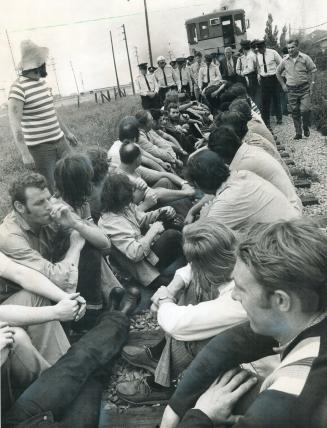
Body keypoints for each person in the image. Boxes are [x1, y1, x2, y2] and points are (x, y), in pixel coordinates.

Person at [161, 218, 327, 428]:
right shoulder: (309, 316)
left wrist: (200, 416)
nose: (234, 296)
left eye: (241, 288)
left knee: (225, 387)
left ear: (281, 301)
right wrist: (175, 407)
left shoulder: (282, 402)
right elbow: (233, 342)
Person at [116, 219, 246, 405]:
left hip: (250, 370)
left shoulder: (238, 296)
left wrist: (163, 299)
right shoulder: (237, 257)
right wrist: (171, 289)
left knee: (188, 336)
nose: (192, 266)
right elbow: (190, 269)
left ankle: (161, 386)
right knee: (191, 288)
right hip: (247, 339)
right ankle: (160, 355)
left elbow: (178, 324)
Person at [2, 304, 134, 428]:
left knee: (76, 364)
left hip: (14, 420)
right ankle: (115, 319)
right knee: (90, 379)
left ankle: (115, 319)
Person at [8, 40, 77, 192]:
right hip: (41, 149)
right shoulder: (18, 88)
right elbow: (15, 124)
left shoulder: (42, 84)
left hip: (61, 141)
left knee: (74, 175)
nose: (45, 63)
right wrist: (25, 154)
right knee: (51, 188)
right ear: (38, 63)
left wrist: (67, 133)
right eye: (42, 60)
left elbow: (52, 112)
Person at [98, 174, 185, 291]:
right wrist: (153, 230)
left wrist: (160, 212)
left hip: (147, 253)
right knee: (172, 236)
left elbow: (141, 219)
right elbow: (135, 253)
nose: (130, 203)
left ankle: (186, 257)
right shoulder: (110, 223)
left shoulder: (121, 207)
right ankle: (189, 259)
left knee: (174, 220)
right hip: (139, 267)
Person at [185, 150, 300, 230]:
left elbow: (201, 241)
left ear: (198, 183)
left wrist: (204, 218)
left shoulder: (227, 201)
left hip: (289, 251)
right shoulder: (242, 175)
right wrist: (193, 211)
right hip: (295, 231)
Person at [208, 126, 302, 213]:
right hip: (288, 204)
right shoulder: (247, 150)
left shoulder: (243, 165)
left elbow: (225, 196)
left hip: (288, 216)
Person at [116, 142, 195, 214]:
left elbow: (164, 174)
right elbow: (155, 194)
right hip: (138, 212)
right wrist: (186, 193)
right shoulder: (123, 178)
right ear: (137, 159)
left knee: (165, 181)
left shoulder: (132, 168)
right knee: (178, 202)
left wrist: (184, 183)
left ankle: (190, 202)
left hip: (146, 201)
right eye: (141, 156)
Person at [276, 39, 317, 139]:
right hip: (291, 90)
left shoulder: (305, 58)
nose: (290, 50)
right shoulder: (284, 60)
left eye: (292, 47)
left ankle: (306, 126)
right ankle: (298, 133)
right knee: (295, 111)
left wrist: (312, 85)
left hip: (304, 89)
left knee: (305, 110)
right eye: (288, 48)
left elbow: (313, 70)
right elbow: (277, 72)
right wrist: (283, 85)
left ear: (297, 47)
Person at [256, 40, 283, 129]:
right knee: (265, 101)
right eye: (258, 49)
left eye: (260, 48)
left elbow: (281, 63)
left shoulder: (273, 53)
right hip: (264, 80)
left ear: (264, 47)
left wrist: (279, 75)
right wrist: (259, 75)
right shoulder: (258, 55)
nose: (259, 50)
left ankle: (279, 118)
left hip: (273, 78)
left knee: (276, 99)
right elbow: (259, 67)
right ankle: (266, 121)